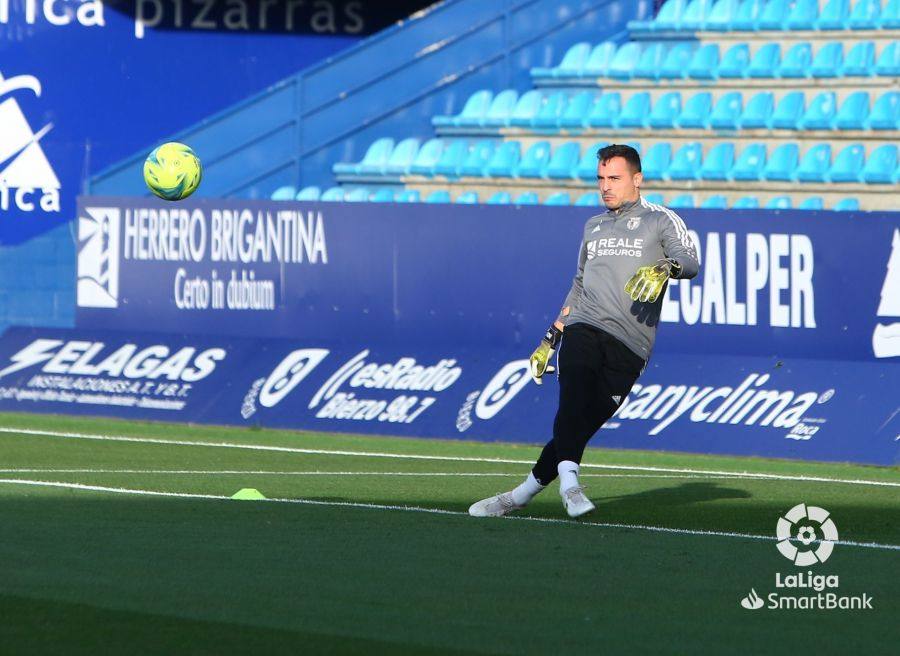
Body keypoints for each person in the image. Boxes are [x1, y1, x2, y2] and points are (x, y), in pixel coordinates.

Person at [469, 144, 700, 519]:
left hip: (631, 345)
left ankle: (519, 496)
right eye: (601, 179)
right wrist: (551, 336)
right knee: (573, 386)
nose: (606, 186)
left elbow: (690, 262)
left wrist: (667, 267)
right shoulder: (593, 226)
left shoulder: (660, 220)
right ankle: (571, 487)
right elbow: (579, 284)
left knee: (579, 423)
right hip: (585, 325)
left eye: (615, 178)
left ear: (637, 179)